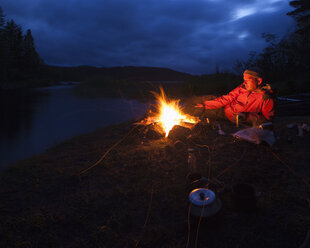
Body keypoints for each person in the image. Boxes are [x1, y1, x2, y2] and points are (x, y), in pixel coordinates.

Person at [194, 68, 276, 126]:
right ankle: (189, 105)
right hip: (226, 108)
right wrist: (205, 105)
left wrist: (246, 117)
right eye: (244, 80)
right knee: (204, 101)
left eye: (247, 80)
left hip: (230, 118)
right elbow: (228, 98)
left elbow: (267, 120)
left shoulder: (266, 97)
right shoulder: (242, 87)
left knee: (202, 113)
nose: (244, 83)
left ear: (258, 81)